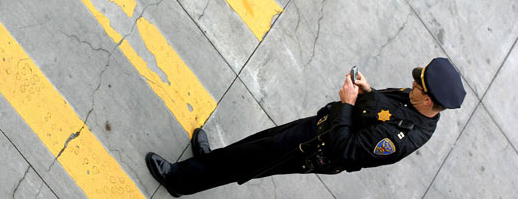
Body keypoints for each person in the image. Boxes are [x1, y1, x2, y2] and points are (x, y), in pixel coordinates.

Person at [145, 57, 467, 197]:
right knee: (253, 146)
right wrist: (368, 92)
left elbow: (347, 150)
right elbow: (383, 109)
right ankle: (208, 162)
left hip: (314, 149)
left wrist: (347, 103)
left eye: (417, 86)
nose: (411, 84)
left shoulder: (401, 139)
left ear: (428, 102)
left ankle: (180, 180)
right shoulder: (414, 99)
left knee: (250, 161)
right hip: (317, 127)